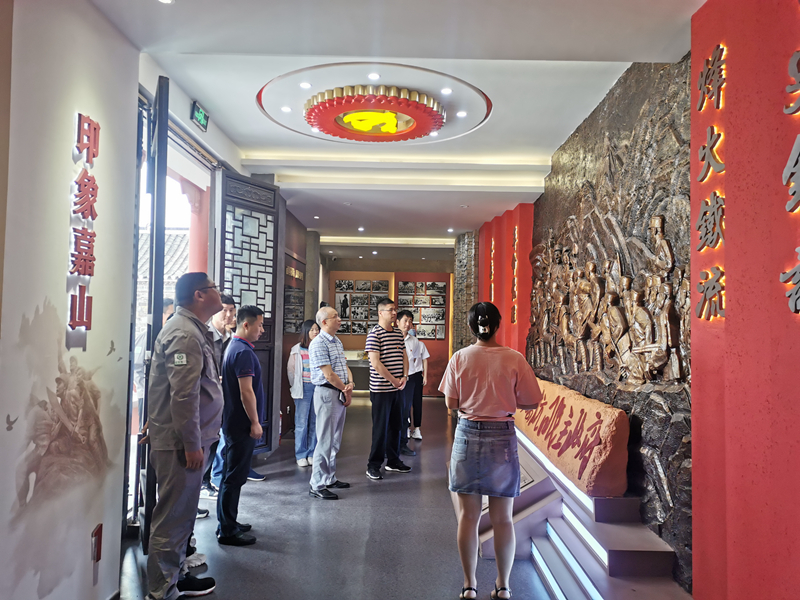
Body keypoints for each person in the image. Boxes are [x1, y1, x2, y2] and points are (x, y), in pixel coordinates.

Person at [440, 302, 543, 600]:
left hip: (467, 434)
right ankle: (504, 585)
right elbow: (532, 401)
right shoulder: (514, 358)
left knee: (468, 517)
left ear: (472, 327)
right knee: (503, 518)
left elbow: (451, 403)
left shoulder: (460, 358)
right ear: (497, 325)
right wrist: (506, 399)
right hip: (502, 437)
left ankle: (469, 585)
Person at [146, 273, 224, 600]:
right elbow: (183, 395)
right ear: (199, 295)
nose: (220, 293)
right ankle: (161, 591)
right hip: (181, 443)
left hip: (189, 439)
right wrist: (192, 444)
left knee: (182, 515)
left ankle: (174, 578)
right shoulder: (184, 333)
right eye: (214, 288)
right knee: (173, 518)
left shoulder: (193, 330)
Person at [216, 305, 265, 546]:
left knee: (232, 475)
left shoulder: (235, 347)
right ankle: (228, 530)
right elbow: (246, 392)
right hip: (241, 424)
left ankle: (228, 522)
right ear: (246, 324)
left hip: (234, 422)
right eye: (259, 325)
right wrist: (255, 422)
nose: (262, 330)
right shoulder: (242, 352)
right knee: (234, 478)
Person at [308, 307, 353, 500]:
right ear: (324, 321)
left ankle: (329, 477)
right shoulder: (318, 343)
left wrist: (350, 384)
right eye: (335, 317)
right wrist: (345, 389)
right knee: (325, 440)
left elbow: (343, 365)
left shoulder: (336, 341)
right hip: (327, 393)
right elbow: (328, 374)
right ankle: (317, 484)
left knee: (334, 440)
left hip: (339, 392)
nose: (340, 319)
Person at [365, 297, 411, 481]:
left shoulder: (398, 333)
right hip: (381, 390)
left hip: (398, 388)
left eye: (395, 310)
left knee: (397, 426)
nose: (394, 313)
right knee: (380, 429)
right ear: (380, 312)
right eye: (390, 310)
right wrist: (393, 380)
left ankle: (393, 460)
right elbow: (375, 363)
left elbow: (404, 356)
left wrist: (405, 376)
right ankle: (373, 465)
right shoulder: (374, 334)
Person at [201, 294, 237, 499]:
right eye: (224, 310)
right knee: (206, 439)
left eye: (232, 310)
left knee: (218, 439)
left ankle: (213, 478)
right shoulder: (203, 335)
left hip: (226, 395)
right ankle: (203, 482)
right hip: (206, 397)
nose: (229, 315)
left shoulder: (232, 337)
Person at [287, 320, 320, 467]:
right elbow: (291, 371)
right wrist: (295, 386)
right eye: (312, 329)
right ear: (306, 332)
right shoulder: (297, 349)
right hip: (303, 388)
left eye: (317, 329)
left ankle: (312, 453)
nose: (315, 332)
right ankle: (300, 454)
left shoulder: (320, 347)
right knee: (301, 422)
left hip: (318, 387)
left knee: (315, 421)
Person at [396, 310, 429, 454]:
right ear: (397, 322)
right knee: (395, 410)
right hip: (393, 379)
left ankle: (405, 439)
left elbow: (415, 361)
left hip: (409, 378)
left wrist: (418, 376)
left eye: (410, 321)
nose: (408, 324)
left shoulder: (415, 341)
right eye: (405, 320)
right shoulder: (391, 338)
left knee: (408, 408)